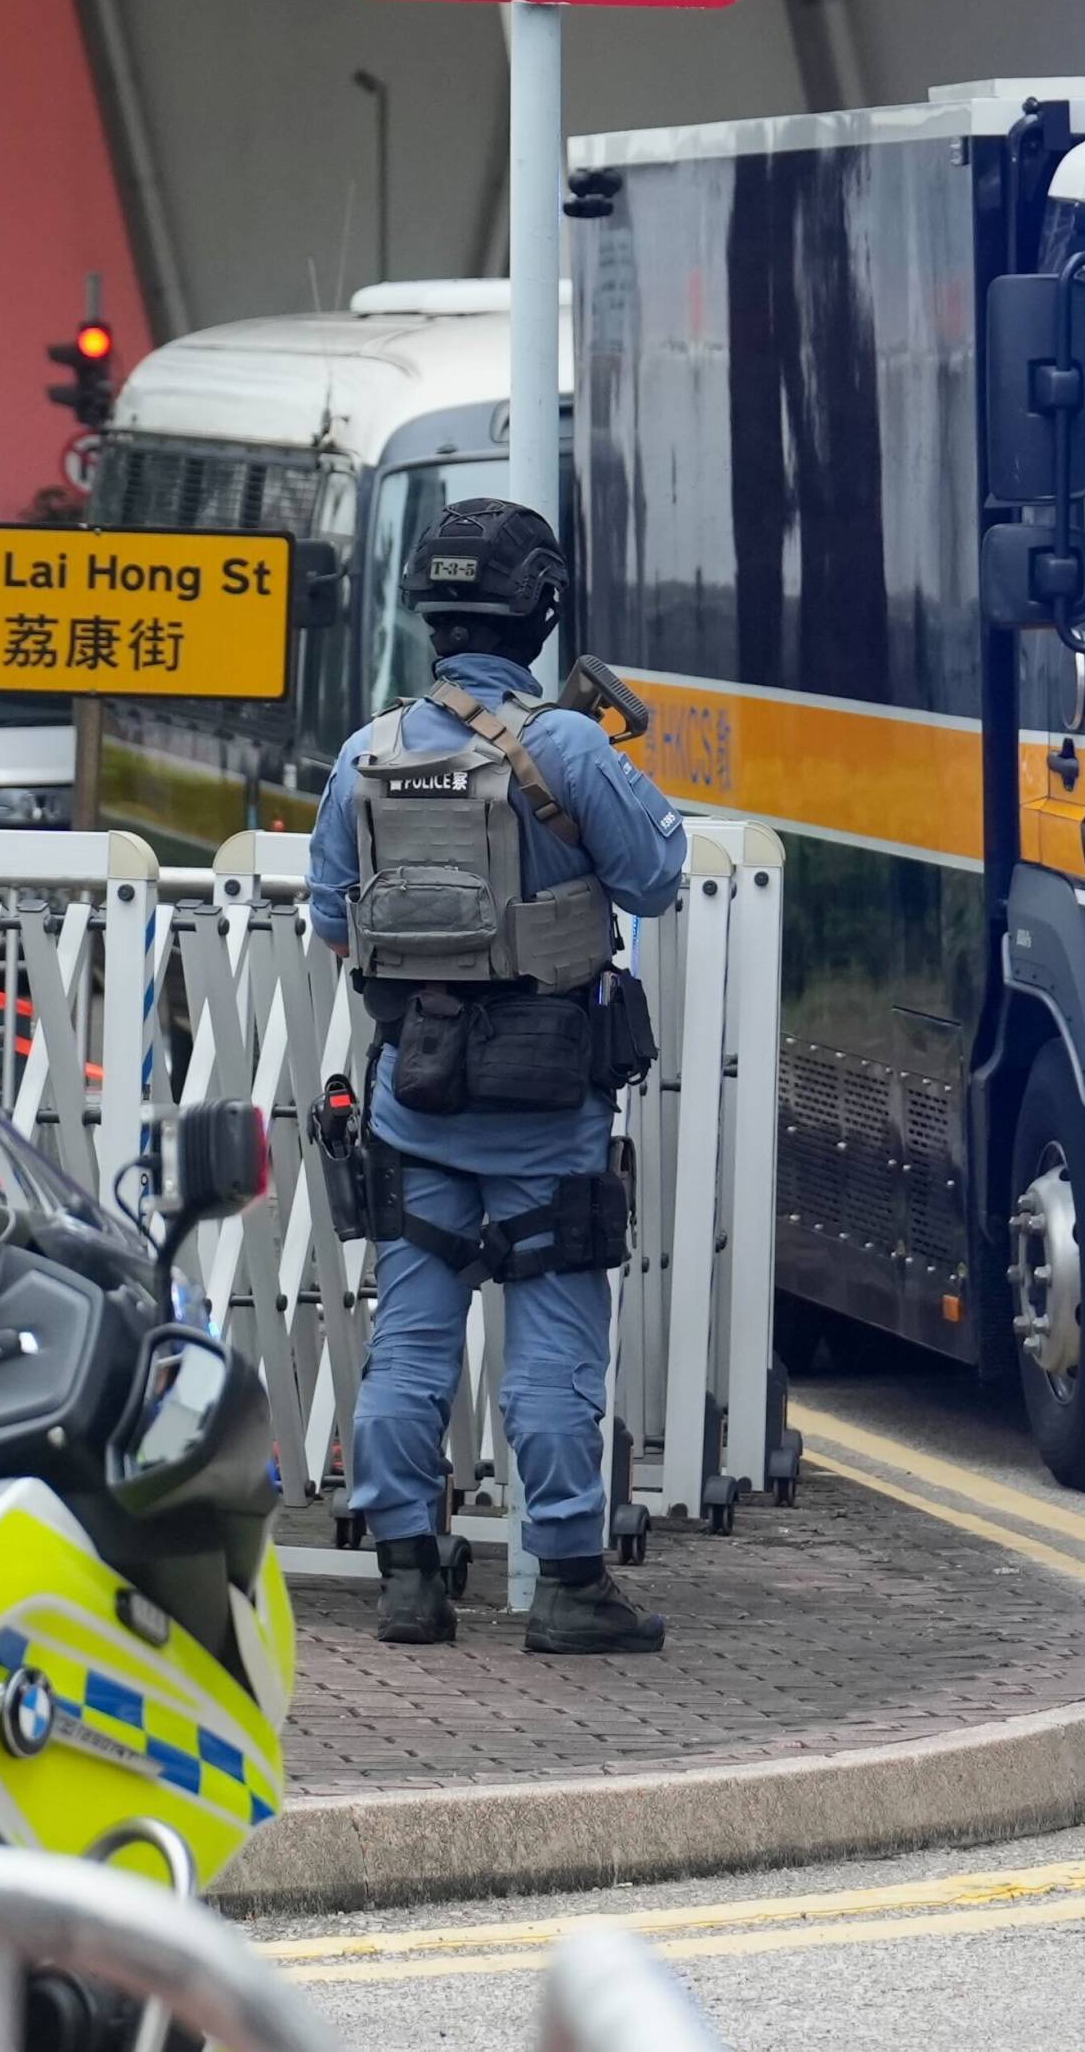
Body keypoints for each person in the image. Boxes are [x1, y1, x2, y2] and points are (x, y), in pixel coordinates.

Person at [307, 499, 685, 1655]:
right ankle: (567, 1582)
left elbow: (333, 916)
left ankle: (411, 1580)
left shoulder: (367, 753)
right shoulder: (563, 748)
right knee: (554, 1337)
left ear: (430, 611)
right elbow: (659, 876)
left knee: (411, 1340)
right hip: (545, 1099)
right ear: (543, 607)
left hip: (412, 1097)